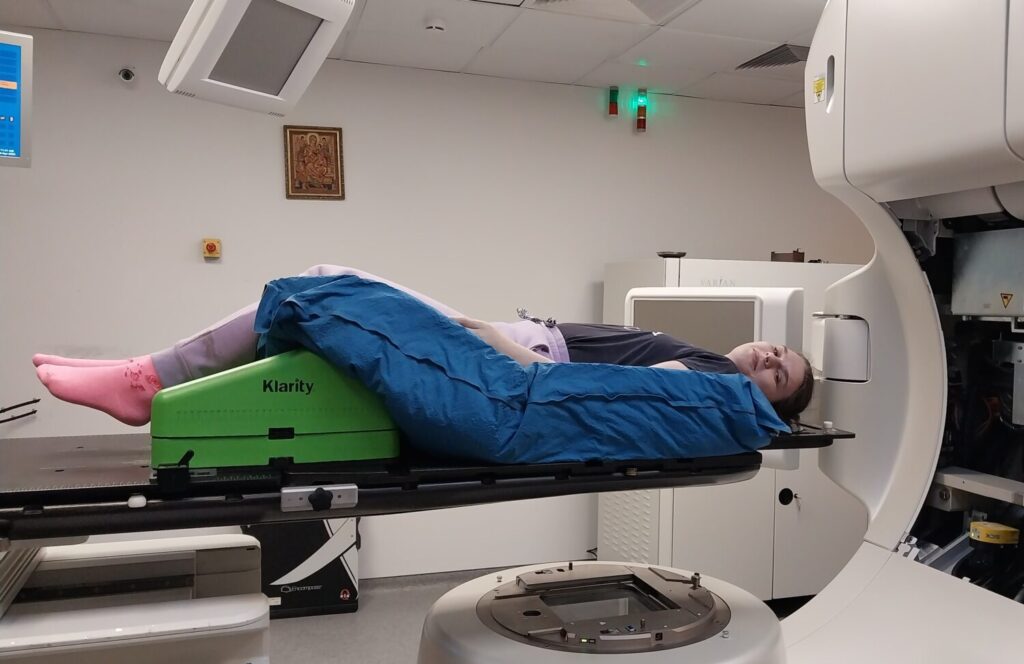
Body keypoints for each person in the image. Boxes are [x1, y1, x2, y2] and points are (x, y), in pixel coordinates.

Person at [34, 265, 813, 427]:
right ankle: (150, 375)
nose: (770, 361)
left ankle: (148, 381)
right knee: (325, 295)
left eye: (780, 377)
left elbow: (629, 389)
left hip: (522, 358)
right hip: (521, 343)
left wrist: (500, 348)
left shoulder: (716, 376)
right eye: (779, 350)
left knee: (324, 285)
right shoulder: (713, 359)